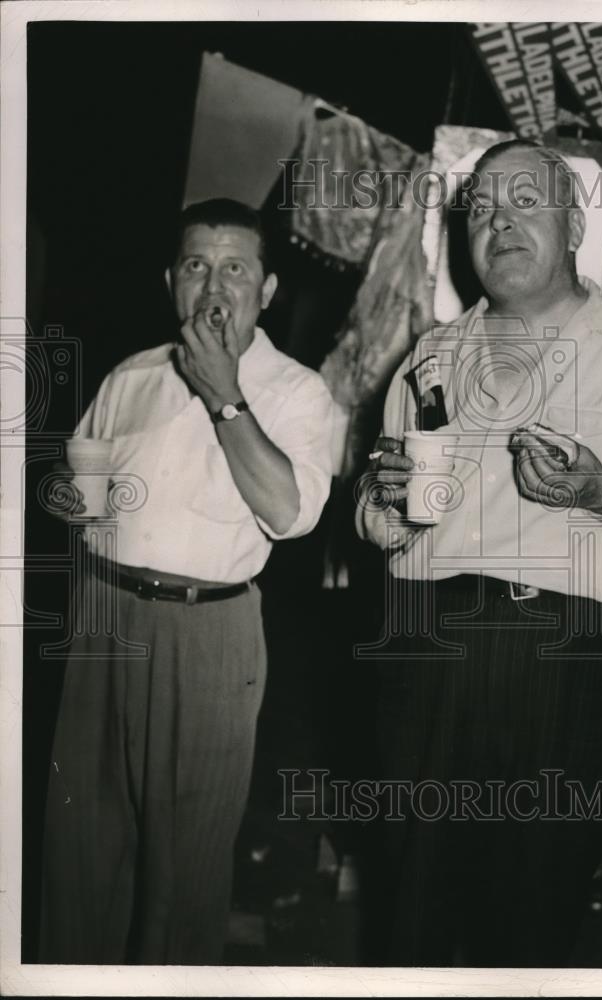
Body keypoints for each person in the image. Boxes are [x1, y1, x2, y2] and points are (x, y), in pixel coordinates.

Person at [357, 140, 602, 966]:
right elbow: (380, 521)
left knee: (532, 915)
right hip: (428, 648)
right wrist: (387, 506)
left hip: (572, 655)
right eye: (482, 208)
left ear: (573, 225)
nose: (498, 220)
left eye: (524, 199)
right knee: (411, 908)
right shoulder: (430, 357)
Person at [39, 198, 334, 964]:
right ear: (171, 281)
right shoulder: (130, 375)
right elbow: (83, 492)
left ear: (266, 289)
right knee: (80, 852)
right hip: (103, 615)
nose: (214, 285)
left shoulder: (298, 392)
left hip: (208, 634)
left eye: (235, 267)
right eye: (197, 266)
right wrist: (70, 502)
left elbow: (290, 512)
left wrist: (224, 395)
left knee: (184, 869)